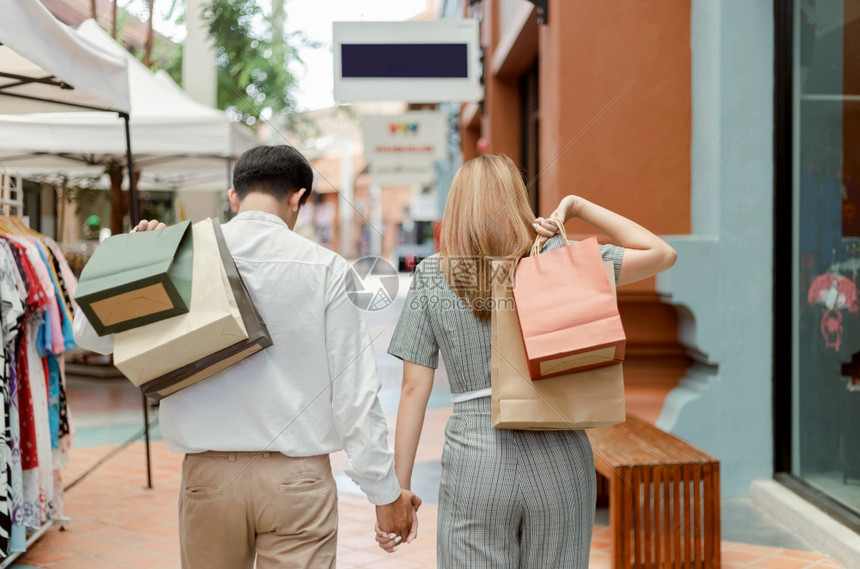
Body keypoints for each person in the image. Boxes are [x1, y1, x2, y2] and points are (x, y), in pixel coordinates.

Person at [73, 145, 419, 569]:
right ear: (297, 198)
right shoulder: (326, 268)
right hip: (299, 480)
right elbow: (355, 396)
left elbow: (89, 335)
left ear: (234, 196)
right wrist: (384, 494)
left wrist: (134, 260)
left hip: (209, 478)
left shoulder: (179, 254)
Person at [376, 154, 677, 567]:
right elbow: (661, 253)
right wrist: (577, 206)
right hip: (559, 452)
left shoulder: (432, 276)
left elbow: (413, 390)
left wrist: (399, 490)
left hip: (474, 459)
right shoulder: (559, 261)